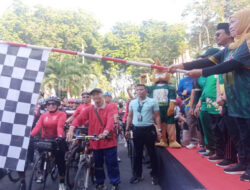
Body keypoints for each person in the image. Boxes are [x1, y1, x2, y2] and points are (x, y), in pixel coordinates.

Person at [168, 8, 250, 182]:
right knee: (240, 135)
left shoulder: (248, 44)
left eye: (233, 23)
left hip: (247, 99)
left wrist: (201, 72)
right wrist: (183, 65)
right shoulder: (230, 48)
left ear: (245, 21)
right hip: (235, 101)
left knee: (247, 134)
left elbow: (229, 66)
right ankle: (244, 163)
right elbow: (209, 60)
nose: (231, 27)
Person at [67, 88, 120, 190]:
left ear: (102, 95)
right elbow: (79, 118)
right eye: (93, 95)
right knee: (98, 164)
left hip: (108, 141)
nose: (96, 97)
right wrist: (72, 128)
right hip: (95, 142)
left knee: (111, 164)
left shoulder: (110, 108)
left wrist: (105, 132)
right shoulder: (90, 109)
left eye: (98, 94)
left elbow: (110, 121)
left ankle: (115, 183)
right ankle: (100, 183)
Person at [125, 84, 161, 185]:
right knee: (137, 153)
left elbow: (157, 116)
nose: (139, 91)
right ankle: (137, 175)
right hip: (137, 130)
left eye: (141, 89)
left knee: (152, 153)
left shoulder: (153, 101)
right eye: (137, 90)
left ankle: (155, 175)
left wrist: (159, 130)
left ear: (145, 91)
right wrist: (127, 129)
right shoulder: (132, 102)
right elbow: (130, 116)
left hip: (149, 130)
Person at [30, 96, 67, 190]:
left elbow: (60, 126)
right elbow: (37, 127)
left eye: (53, 103)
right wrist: (30, 135)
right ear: (46, 106)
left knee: (60, 161)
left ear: (57, 105)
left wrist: (60, 137)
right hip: (45, 139)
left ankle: (62, 182)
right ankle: (41, 173)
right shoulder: (43, 116)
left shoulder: (61, 114)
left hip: (57, 139)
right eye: (49, 104)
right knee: (41, 156)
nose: (51, 106)